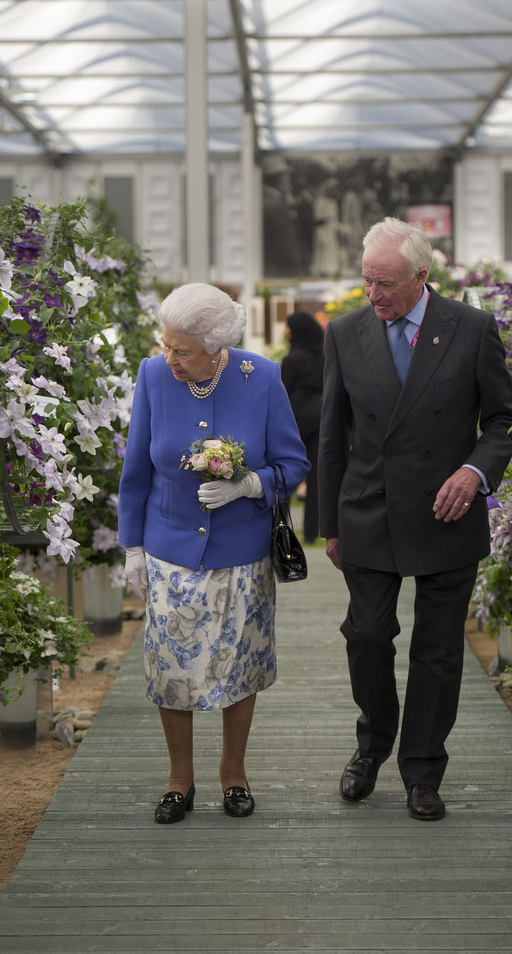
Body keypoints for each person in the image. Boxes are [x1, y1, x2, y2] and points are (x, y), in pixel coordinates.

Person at [318, 217, 512, 821]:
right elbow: (332, 436)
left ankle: (423, 770)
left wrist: (475, 472)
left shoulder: (473, 329)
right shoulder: (345, 333)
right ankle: (372, 745)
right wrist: (330, 522)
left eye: (385, 284)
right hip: (368, 512)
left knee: (438, 651)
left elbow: (504, 420)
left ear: (422, 277)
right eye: (367, 282)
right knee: (367, 636)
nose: (374, 296)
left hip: (447, 511)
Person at [118, 283, 309, 824]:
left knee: (237, 667)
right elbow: (136, 469)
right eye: (166, 345)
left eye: (182, 350)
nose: (169, 359)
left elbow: (294, 464)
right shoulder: (153, 376)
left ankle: (234, 774)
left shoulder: (262, 377)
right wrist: (131, 545)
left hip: (242, 553)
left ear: (216, 345)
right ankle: (180, 780)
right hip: (170, 549)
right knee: (171, 670)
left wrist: (250, 485)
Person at [281, 311, 324, 543]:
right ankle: (310, 532)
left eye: (288, 327)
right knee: (316, 478)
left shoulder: (293, 358)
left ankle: (281, 526)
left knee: (286, 472)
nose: (286, 331)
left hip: (295, 418)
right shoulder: (322, 357)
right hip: (319, 416)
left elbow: (282, 391)